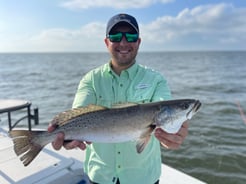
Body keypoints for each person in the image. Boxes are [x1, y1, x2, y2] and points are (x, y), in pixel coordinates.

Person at [48, 13, 189, 184]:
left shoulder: (156, 80)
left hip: (143, 178)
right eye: (115, 36)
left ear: (138, 42)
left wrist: (172, 135)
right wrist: (66, 138)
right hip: (101, 176)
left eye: (131, 36)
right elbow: (79, 113)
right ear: (107, 42)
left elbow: (166, 121)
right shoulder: (91, 79)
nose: (123, 42)